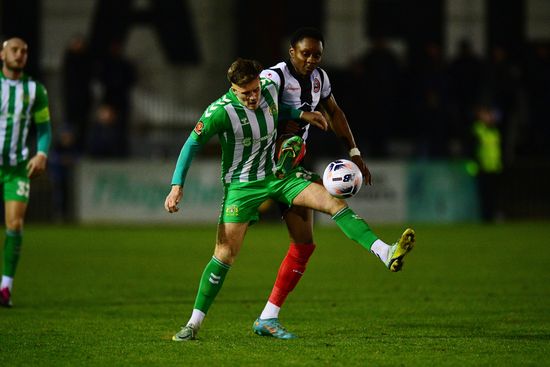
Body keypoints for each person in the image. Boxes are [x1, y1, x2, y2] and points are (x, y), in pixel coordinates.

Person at [164, 58, 415, 341]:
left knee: (334, 203)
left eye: (255, 89)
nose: (253, 96)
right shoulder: (218, 113)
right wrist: (176, 186)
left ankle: (385, 251)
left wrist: (301, 113)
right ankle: (193, 324)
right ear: (233, 89)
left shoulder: (269, 88)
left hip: (279, 175)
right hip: (242, 187)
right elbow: (190, 145)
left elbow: (277, 108)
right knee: (225, 254)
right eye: (245, 92)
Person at [252, 27, 380, 338]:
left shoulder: (320, 79)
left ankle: (267, 318)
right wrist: (300, 112)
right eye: (305, 53)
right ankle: (195, 321)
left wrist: (354, 151)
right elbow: (257, 107)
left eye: (317, 54)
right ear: (291, 52)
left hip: (292, 164)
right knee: (227, 250)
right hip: (263, 165)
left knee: (304, 246)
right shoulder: (274, 76)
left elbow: (335, 112)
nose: (311, 59)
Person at [0, 37, 52, 307]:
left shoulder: (34, 90)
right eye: (14, 50)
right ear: (2, 54)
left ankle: (5, 287)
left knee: (15, 224)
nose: (20, 55)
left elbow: (43, 129)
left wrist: (42, 153)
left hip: (16, 168)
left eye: (24, 51)